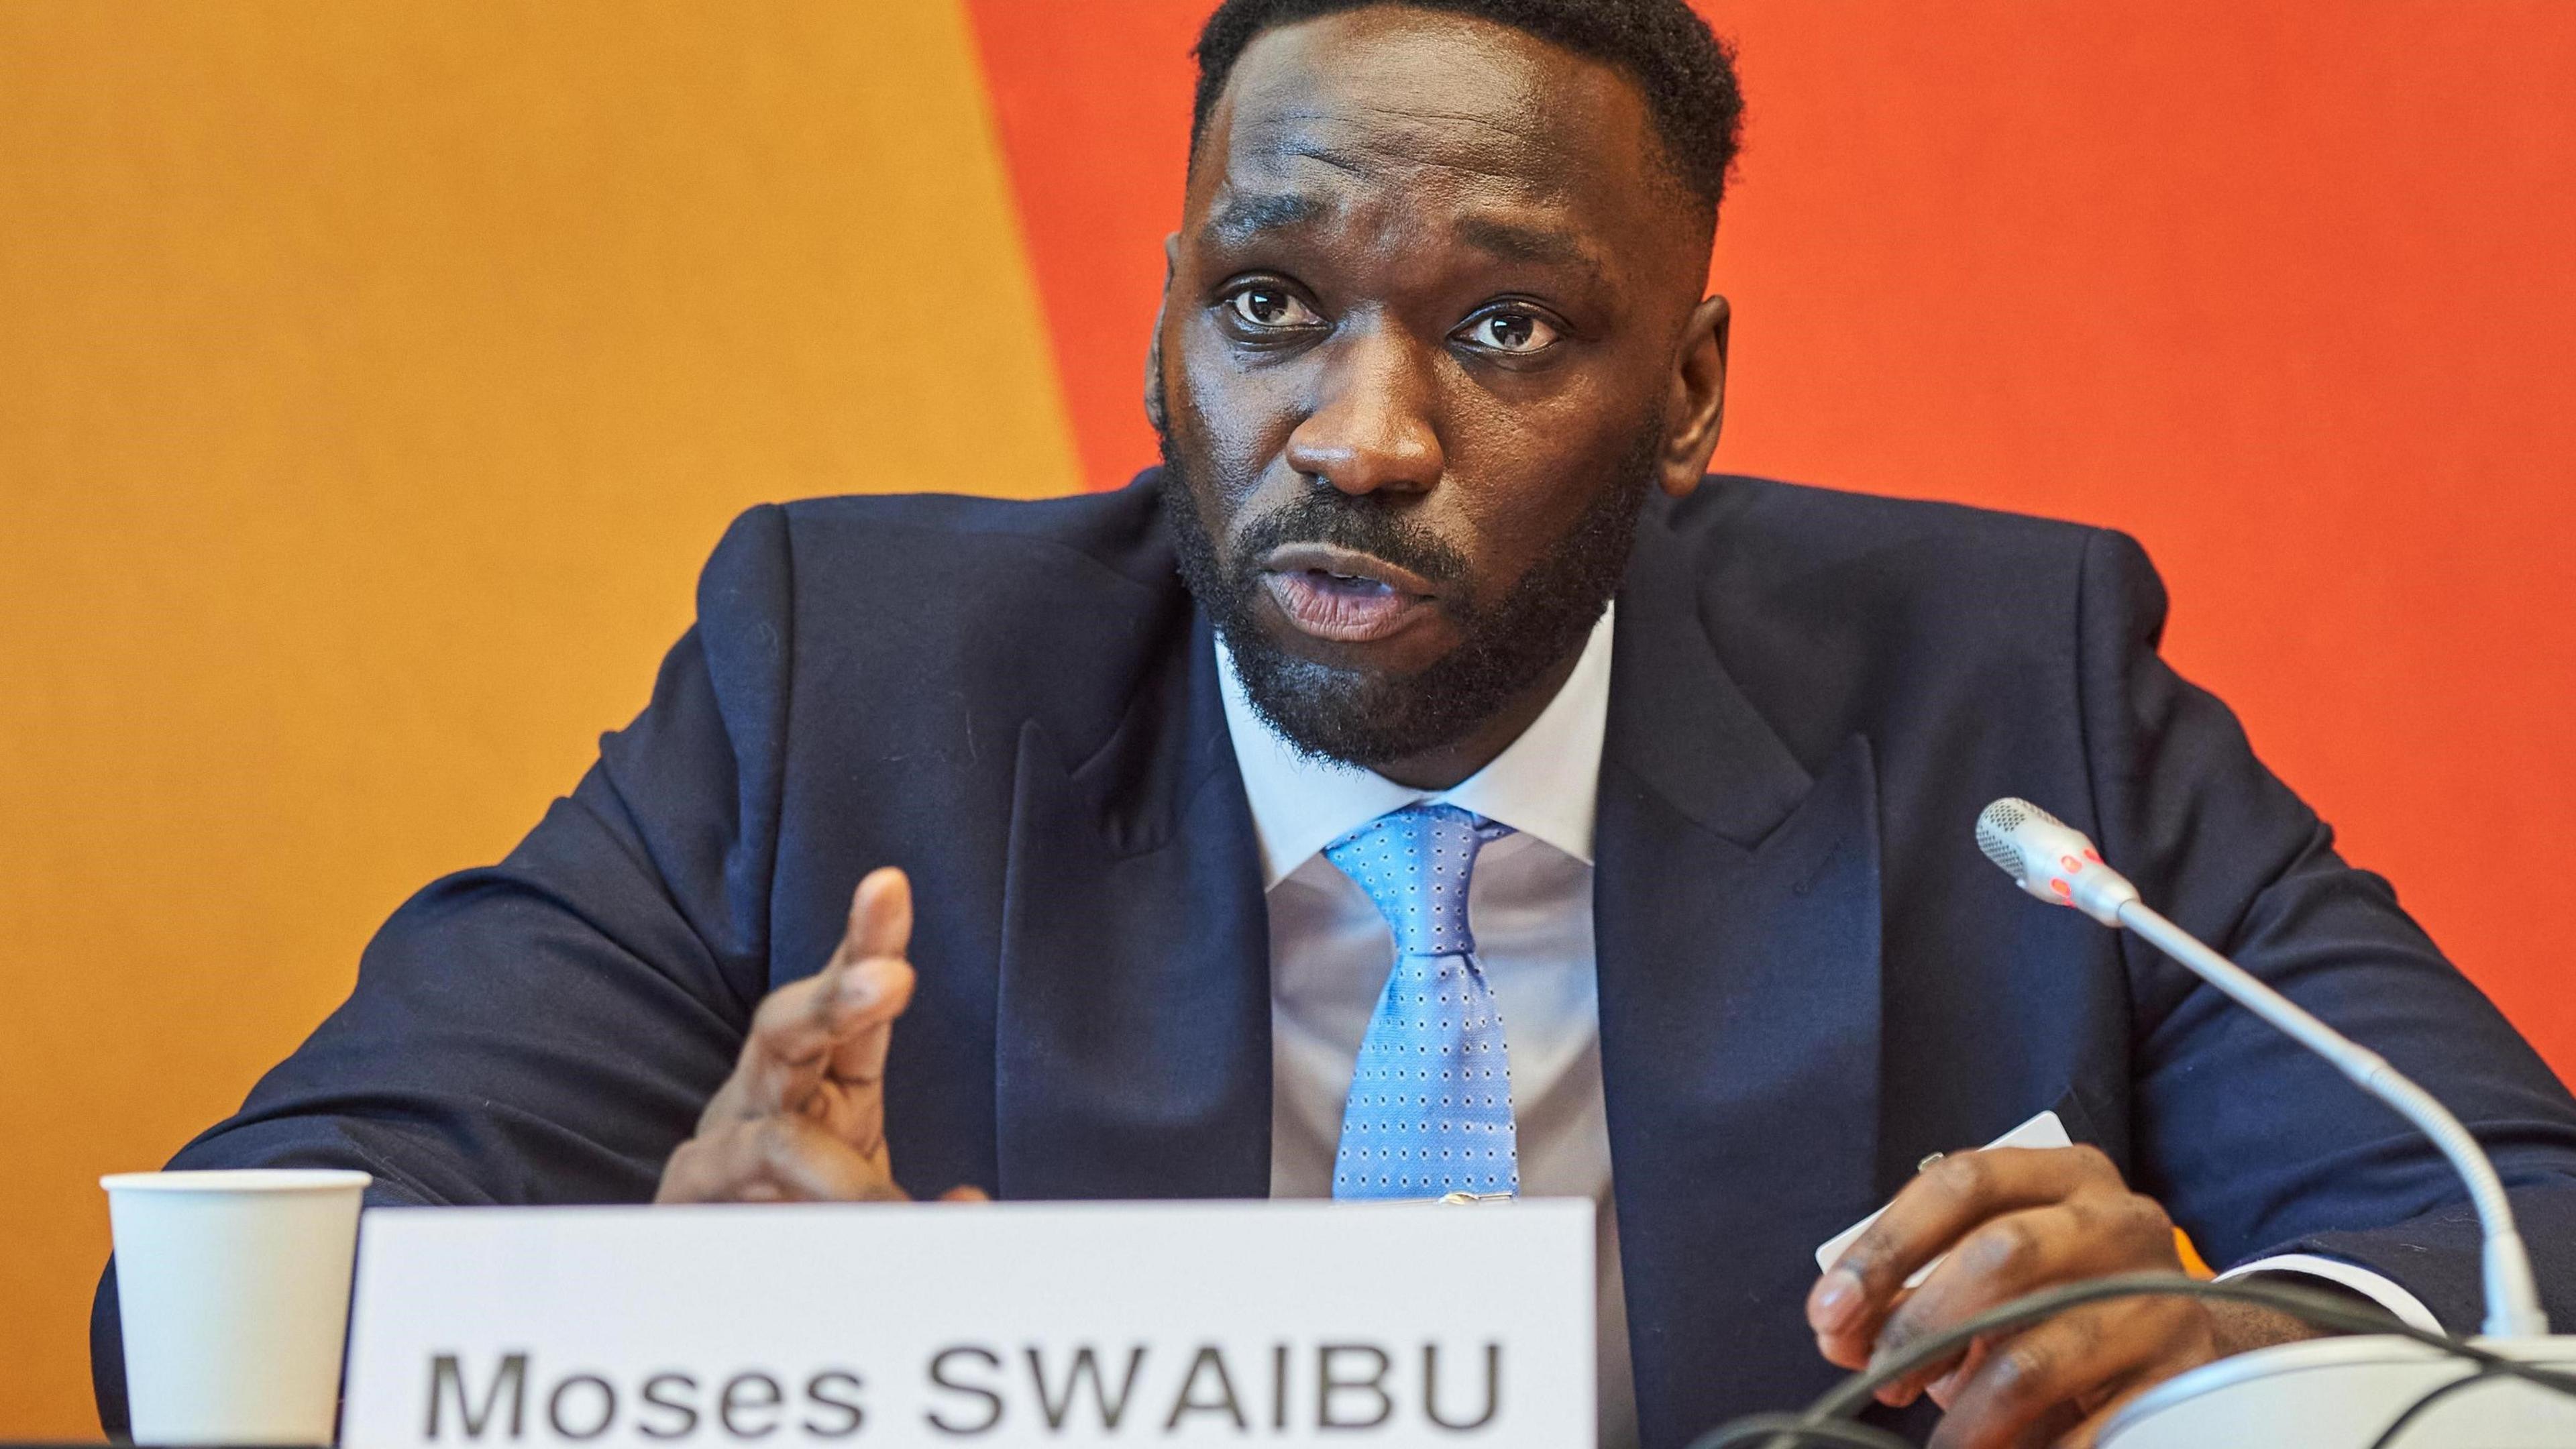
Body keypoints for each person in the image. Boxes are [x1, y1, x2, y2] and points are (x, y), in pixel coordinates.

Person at [92, 1, 2576, 1445]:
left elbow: (2515, 1224)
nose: (1360, 433)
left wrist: (2219, 1357)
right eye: (1271, 305)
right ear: (1170, 314)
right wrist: (656, 1317)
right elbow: (204, 1309)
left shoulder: (2000, 678)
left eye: (1506, 329)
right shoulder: (849, 670)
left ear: (1689, 385)